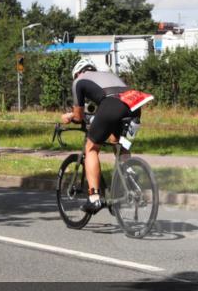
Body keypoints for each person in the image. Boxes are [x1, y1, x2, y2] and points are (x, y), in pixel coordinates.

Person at [60, 58, 153, 213]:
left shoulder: (79, 81)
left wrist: (69, 117)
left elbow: (79, 116)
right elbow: (109, 108)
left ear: (77, 73)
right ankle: (129, 177)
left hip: (113, 105)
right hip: (135, 105)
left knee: (91, 148)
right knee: (119, 143)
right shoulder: (107, 75)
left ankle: (94, 197)